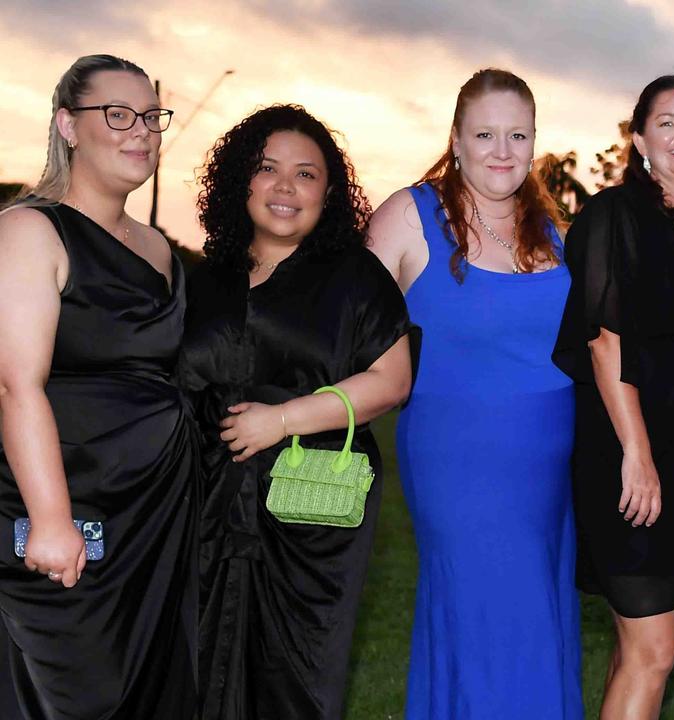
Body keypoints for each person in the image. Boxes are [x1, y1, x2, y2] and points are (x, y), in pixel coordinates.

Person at [178, 104, 412, 720]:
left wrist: (281, 421)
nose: (285, 186)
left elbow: (392, 381)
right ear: (240, 181)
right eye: (267, 168)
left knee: (296, 680)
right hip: (203, 504)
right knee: (196, 670)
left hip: (308, 514)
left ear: (328, 193)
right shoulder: (204, 279)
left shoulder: (354, 277)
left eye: (306, 174)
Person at [366, 69, 583, 719]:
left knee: (541, 627)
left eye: (518, 135)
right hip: (458, 466)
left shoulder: (555, 234)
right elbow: (343, 330)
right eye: (485, 133)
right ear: (456, 139)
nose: (502, 150)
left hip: (550, 475)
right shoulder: (409, 215)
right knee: (483, 622)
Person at [0, 54, 199, 718]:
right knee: (84, 696)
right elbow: (13, 385)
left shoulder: (159, 248)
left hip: (156, 519)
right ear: (67, 124)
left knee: (154, 693)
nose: (139, 130)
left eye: (150, 116)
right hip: (67, 516)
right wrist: (53, 522)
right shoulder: (31, 230)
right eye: (117, 114)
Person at [553, 73, 674, 719]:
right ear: (639, 139)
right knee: (655, 651)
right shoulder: (618, 215)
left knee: (638, 650)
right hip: (636, 460)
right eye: (665, 122)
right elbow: (604, 339)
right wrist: (636, 453)